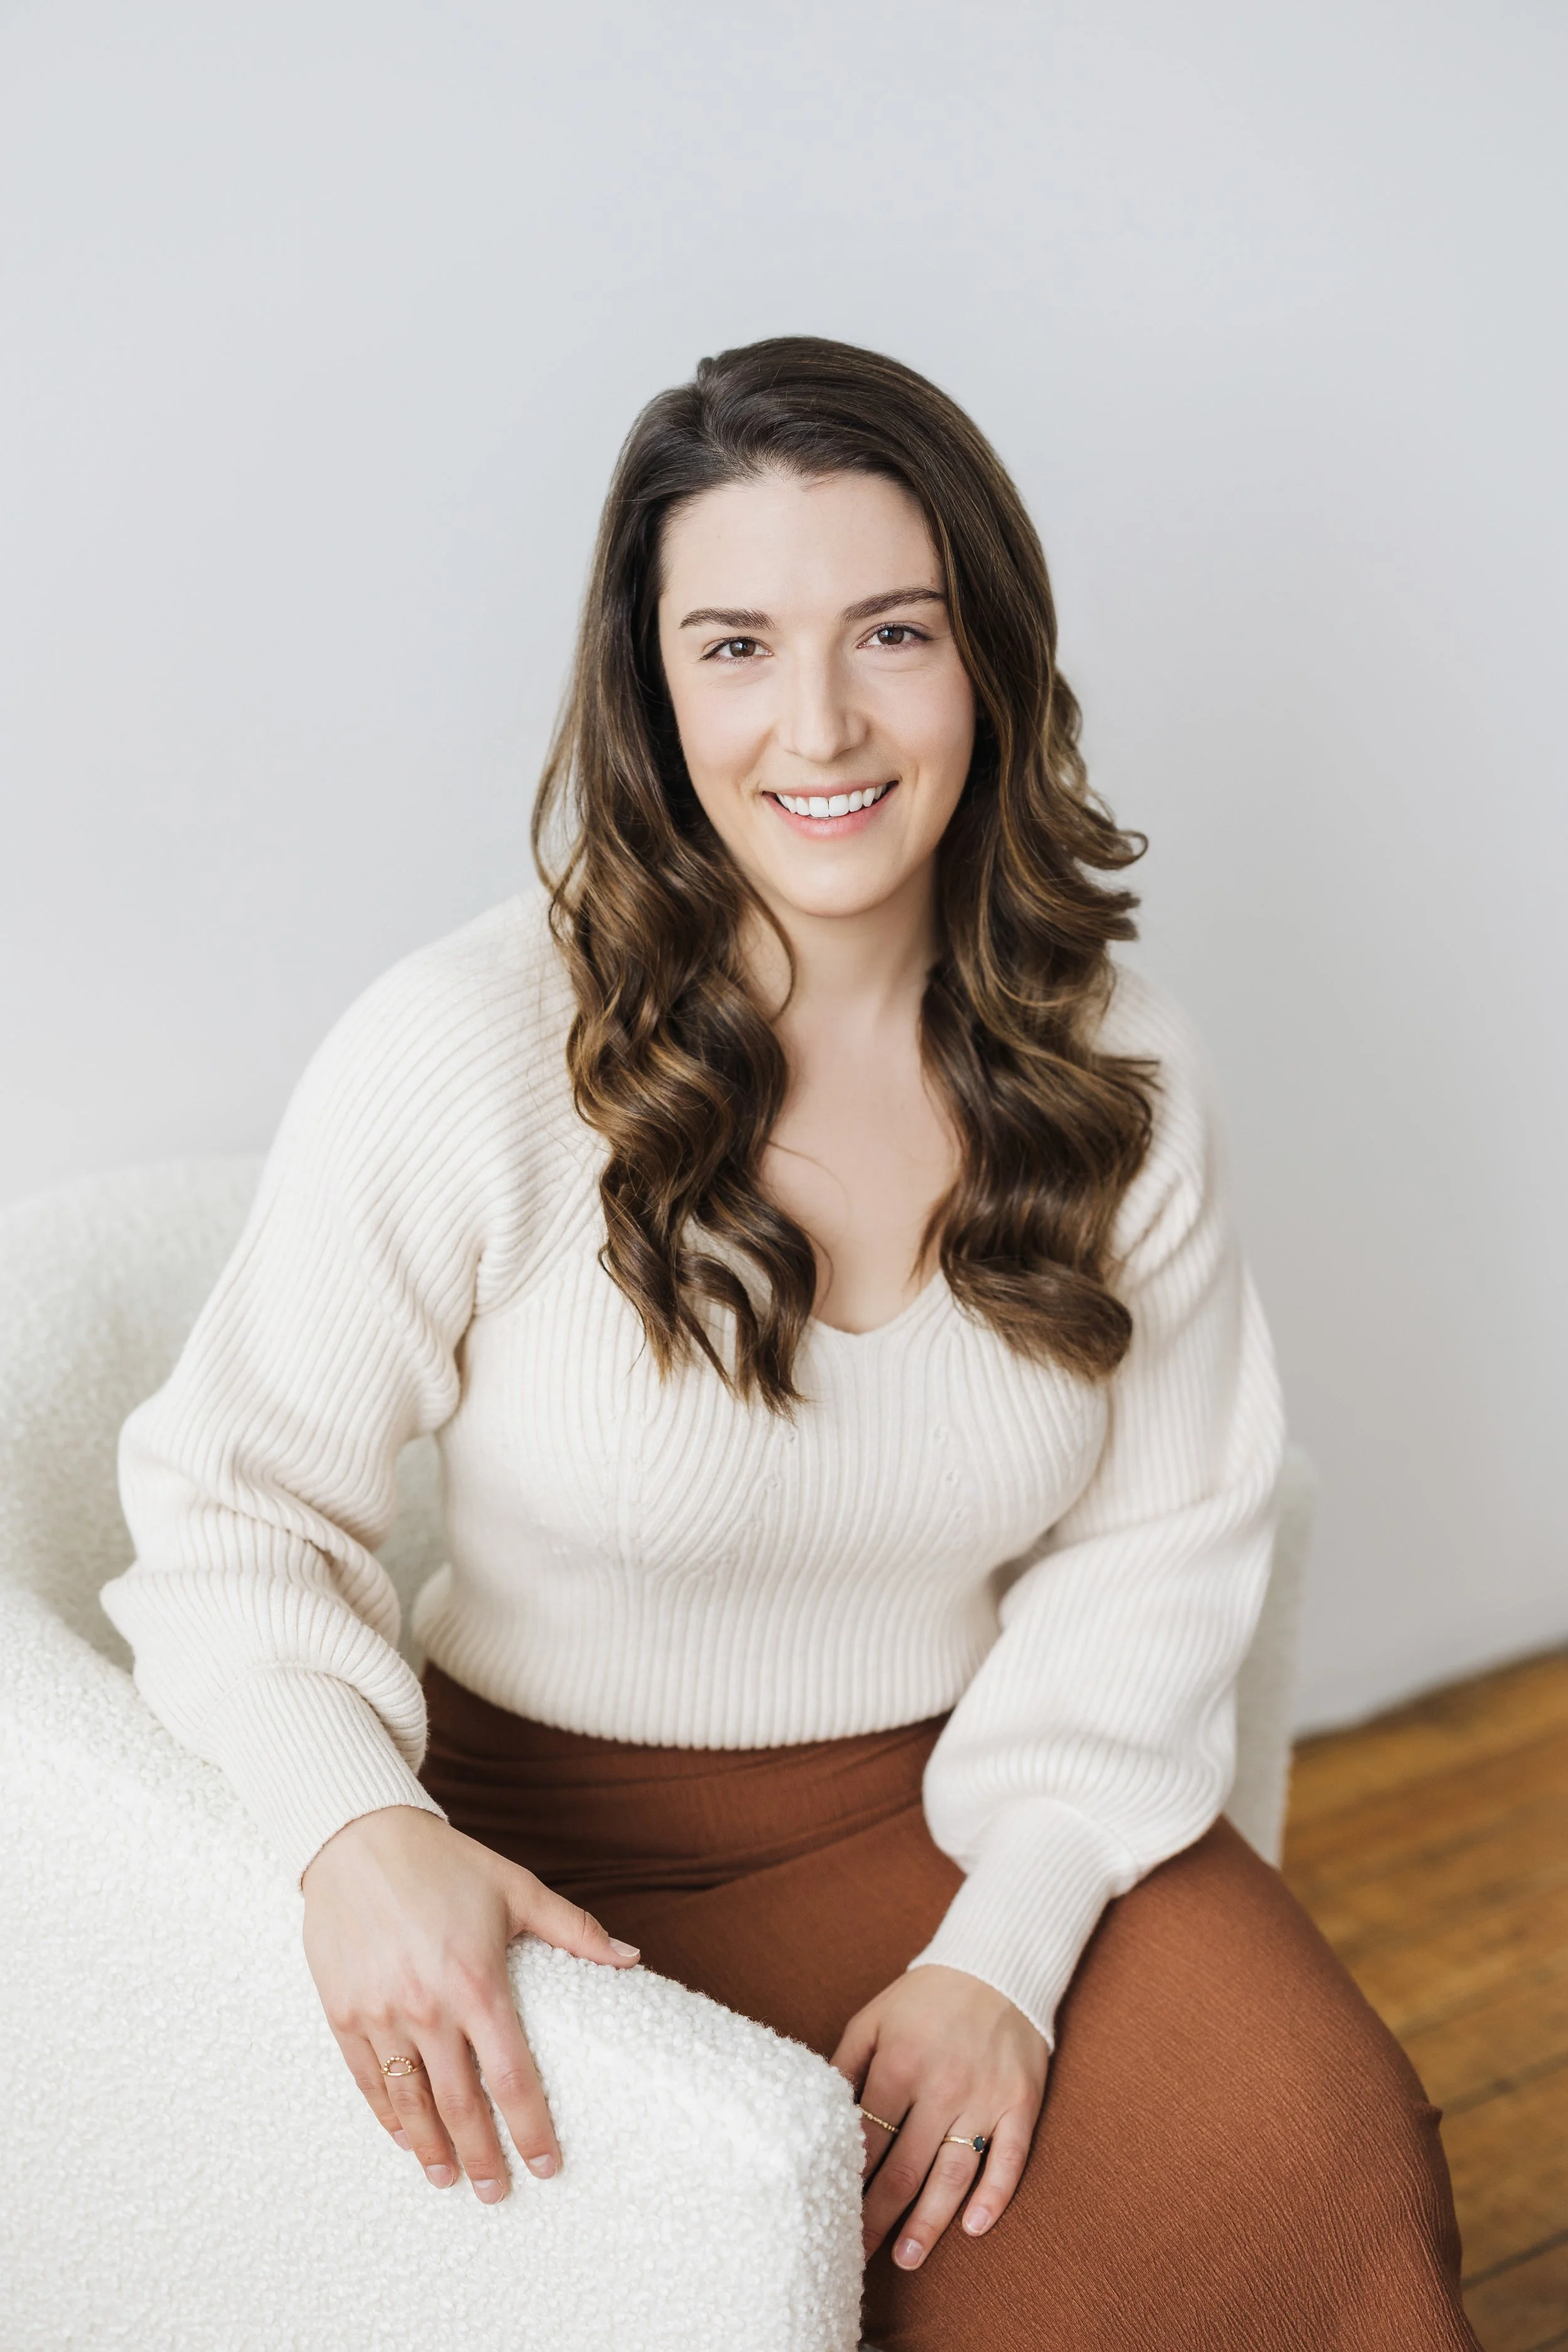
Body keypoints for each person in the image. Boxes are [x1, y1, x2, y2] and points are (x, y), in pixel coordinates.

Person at [101, 336, 1478, 2351]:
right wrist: (357, 1827)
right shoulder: (465, 1050)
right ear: (650, 687)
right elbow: (227, 1504)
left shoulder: (1121, 1067)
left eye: (891, 633)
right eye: (735, 645)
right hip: (573, 1853)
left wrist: (1003, 1953)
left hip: (981, 1797)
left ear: (988, 659)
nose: (818, 723)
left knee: (1319, 2170)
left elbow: (1162, 1543)